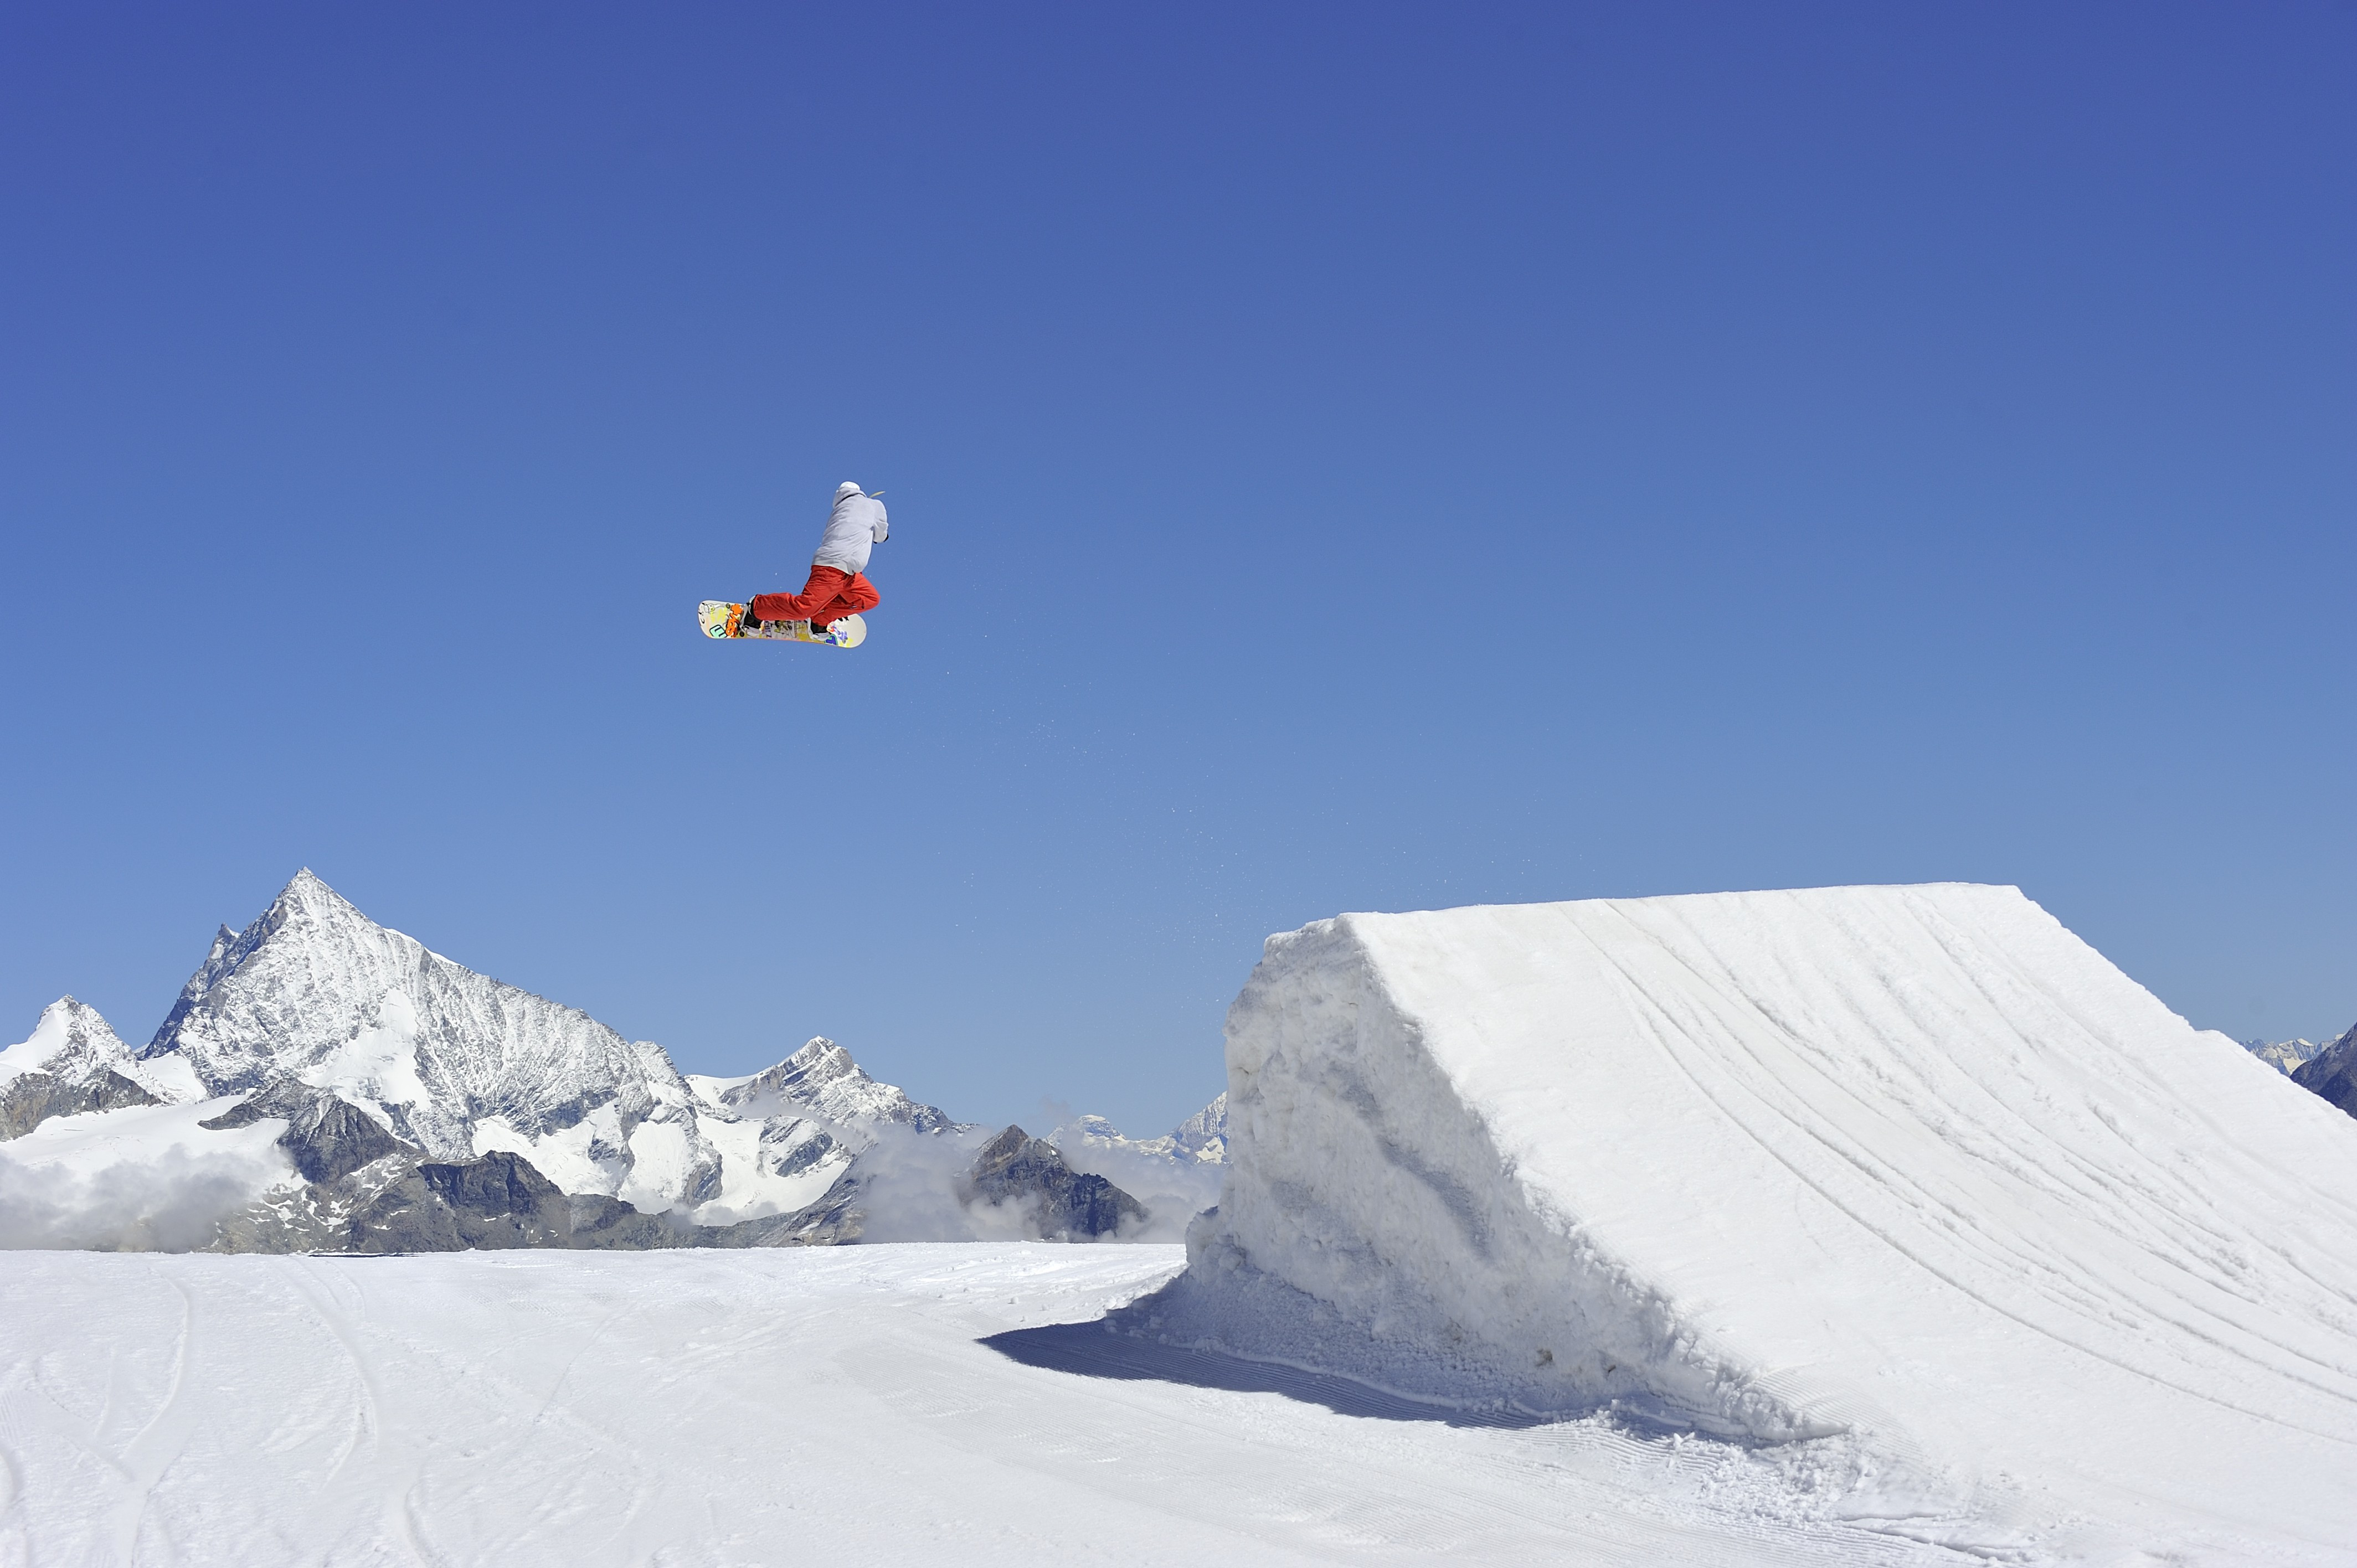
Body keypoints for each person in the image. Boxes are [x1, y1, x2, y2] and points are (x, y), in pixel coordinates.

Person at [747, 482, 888, 635]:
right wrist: (882, 535)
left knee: (868, 598)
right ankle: (756, 608)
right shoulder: (874, 505)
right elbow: (881, 536)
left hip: (848, 573)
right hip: (833, 568)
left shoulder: (840, 509)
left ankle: (819, 620)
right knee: (804, 608)